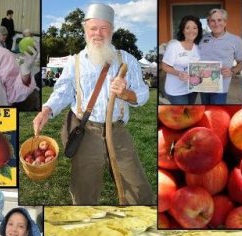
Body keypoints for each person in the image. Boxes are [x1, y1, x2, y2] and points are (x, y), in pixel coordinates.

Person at [32, 3, 154, 205]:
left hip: (117, 131)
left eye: (104, 28)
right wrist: (46, 110)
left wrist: (126, 93)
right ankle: (85, 227)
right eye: (93, 28)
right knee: (84, 191)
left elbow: (142, 95)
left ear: (112, 31)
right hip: (86, 130)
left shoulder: (127, 60)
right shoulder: (75, 61)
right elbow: (63, 91)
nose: (98, 33)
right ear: (85, 30)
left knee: (138, 188)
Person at [198, 8, 242, 104]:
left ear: (225, 22)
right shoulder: (201, 39)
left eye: (219, 20)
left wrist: (232, 71)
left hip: (221, 88)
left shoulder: (236, 40)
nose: (216, 23)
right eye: (212, 21)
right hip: (203, 84)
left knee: (216, 112)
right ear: (208, 23)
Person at [161, 15, 202, 104]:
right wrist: (178, 73)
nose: (191, 31)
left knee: (190, 113)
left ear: (198, 30)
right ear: (183, 30)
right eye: (187, 28)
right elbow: (164, 66)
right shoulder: (174, 46)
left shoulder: (198, 48)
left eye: (195, 28)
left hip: (192, 89)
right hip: (176, 91)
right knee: (181, 114)